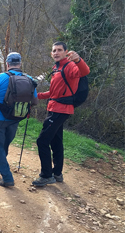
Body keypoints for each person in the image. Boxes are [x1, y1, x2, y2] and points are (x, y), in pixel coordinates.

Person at [32, 41, 90, 187]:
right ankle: (57, 173)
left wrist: (78, 60)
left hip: (61, 109)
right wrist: (36, 96)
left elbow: (84, 72)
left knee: (42, 141)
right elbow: (53, 92)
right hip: (55, 107)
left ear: (66, 52)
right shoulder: (57, 68)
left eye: (59, 50)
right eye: (54, 50)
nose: (56, 53)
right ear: (51, 54)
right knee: (56, 141)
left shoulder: (70, 66)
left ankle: (46, 175)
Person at [0, 52, 38, 187]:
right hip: (15, 118)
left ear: (7, 64)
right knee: (3, 146)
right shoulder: (29, 79)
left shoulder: (1, 77)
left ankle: (7, 178)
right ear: (20, 64)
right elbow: (35, 101)